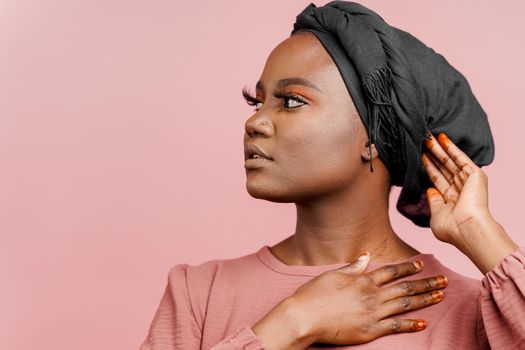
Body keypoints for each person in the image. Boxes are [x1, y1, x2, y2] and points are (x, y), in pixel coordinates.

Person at [139, 2, 524, 349]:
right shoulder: (199, 293)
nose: (255, 121)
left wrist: (477, 231)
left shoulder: (472, 313)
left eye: (291, 101)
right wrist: (294, 322)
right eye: (257, 101)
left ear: (374, 138)